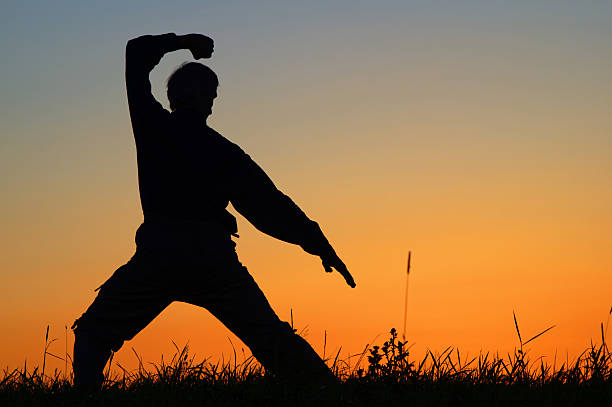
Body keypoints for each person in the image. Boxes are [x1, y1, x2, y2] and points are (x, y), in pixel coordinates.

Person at [71, 33, 355, 389]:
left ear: (173, 98)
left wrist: (184, 41)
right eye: (211, 96)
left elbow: (136, 51)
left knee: (93, 333)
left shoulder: (152, 127)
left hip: (160, 255)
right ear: (208, 101)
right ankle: (333, 396)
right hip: (211, 260)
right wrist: (318, 244)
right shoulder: (225, 152)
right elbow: (270, 207)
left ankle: (83, 395)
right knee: (271, 338)